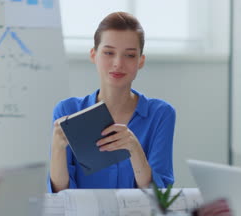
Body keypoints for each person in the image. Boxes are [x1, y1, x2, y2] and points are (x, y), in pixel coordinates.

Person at [49, 12, 176, 192]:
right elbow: (61, 193)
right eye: (109, 52)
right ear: (93, 55)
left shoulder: (161, 114)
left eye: (130, 55)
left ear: (141, 61)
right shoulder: (68, 110)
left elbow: (158, 195)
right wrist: (57, 149)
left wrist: (134, 148)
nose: (118, 63)